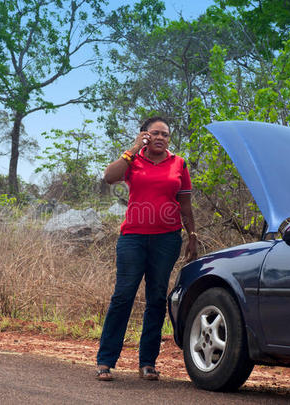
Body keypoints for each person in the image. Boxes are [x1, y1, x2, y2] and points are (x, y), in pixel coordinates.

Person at [96, 116, 198, 381]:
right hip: (133, 238)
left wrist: (192, 235)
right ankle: (106, 361)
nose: (161, 138)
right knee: (123, 296)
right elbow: (109, 177)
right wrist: (131, 150)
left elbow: (185, 205)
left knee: (155, 299)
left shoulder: (179, 164)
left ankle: (147, 362)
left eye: (166, 134)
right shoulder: (132, 161)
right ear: (144, 135)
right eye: (156, 133)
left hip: (167, 240)